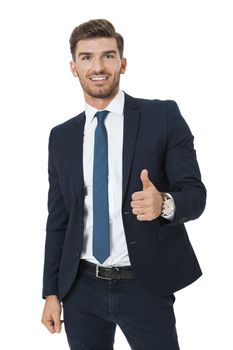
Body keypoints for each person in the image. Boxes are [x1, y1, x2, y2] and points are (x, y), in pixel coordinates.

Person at [41, 19, 206, 350]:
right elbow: (59, 221)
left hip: (144, 284)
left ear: (123, 63)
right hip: (81, 289)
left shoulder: (163, 117)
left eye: (108, 55)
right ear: (74, 67)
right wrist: (51, 293)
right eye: (86, 57)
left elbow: (195, 194)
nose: (98, 66)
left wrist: (165, 204)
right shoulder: (61, 137)